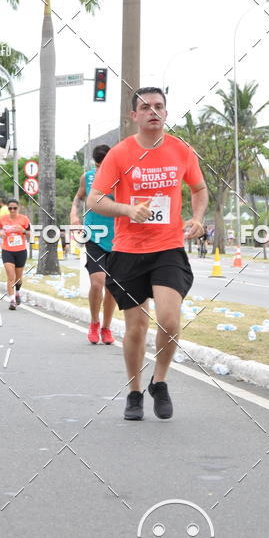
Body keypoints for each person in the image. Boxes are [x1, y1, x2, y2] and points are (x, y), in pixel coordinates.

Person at [87, 87, 208, 421]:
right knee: (136, 327)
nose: (153, 111)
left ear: (166, 113)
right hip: (127, 251)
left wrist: (197, 219)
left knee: (169, 321)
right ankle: (135, 391)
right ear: (134, 116)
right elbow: (94, 199)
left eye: (159, 106)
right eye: (146, 107)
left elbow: (198, 189)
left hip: (168, 247)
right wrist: (128, 209)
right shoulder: (121, 154)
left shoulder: (181, 150)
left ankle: (160, 381)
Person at [70, 145, 116, 345]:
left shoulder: (121, 177)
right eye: (97, 165)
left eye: (103, 165)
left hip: (117, 238)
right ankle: (94, 323)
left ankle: (106, 327)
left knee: (112, 287)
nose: (100, 169)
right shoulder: (87, 177)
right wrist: (74, 213)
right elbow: (78, 198)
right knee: (97, 282)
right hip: (93, 236)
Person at [0, 198, 31, 310]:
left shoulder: (24, 219)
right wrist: (0, 233)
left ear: (18, 208)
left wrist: (23, 231)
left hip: (20, 251)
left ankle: (17, 292)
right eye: (10, 208)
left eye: (14, 208)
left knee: (18, 278)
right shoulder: (3, 219)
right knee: (11, 276)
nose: (12, 210)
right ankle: (12, 301)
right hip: (7, 251)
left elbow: (31, 233)